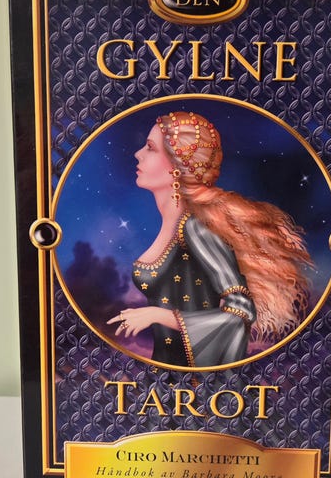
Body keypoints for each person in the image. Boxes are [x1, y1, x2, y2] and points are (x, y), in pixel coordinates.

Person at [107, 111, 311, 367]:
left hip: (199, 381)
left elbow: (240, 312)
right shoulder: (177, 225)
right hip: (167, 378)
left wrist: (157, 315)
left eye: (150, 148)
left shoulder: (197, 228)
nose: (138, 154)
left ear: (177, 165)